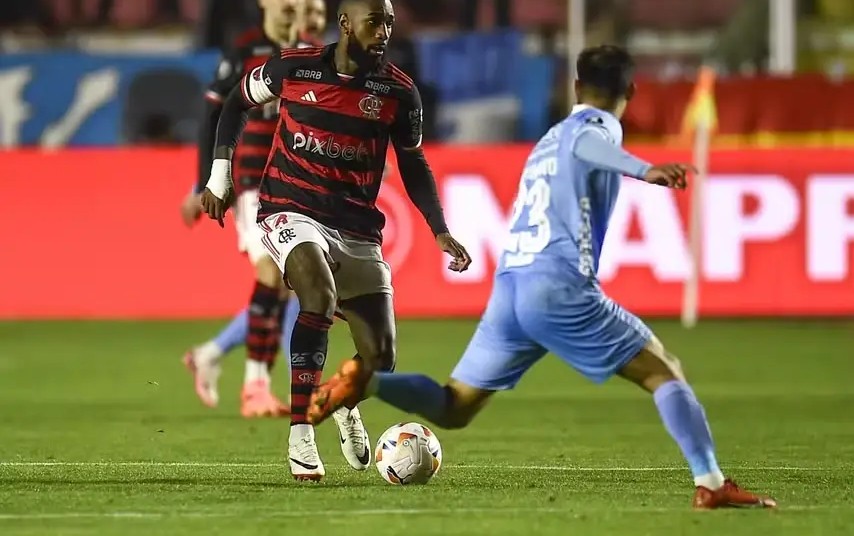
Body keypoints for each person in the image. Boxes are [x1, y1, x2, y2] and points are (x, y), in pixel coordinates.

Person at [305, 45, 777, 509]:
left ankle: (367, 383)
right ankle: (711, 483)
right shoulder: (595, 126)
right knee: (665, 372)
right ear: (630, 89)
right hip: (559, 286)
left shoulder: (547, 139)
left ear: (575, 86)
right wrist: (644, 168)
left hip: (512, 288)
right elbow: (589, 142)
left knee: (454, 407)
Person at [200, 0, 472, 481]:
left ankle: (346, 402)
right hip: (288, 208)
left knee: (381, 355)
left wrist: (440, 229)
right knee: (318, 297)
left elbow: (413, 163)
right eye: (375, 21)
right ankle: (302, 429)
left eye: (390, 22)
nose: (385, 31)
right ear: (346, 24)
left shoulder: (398, 92)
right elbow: (232, 106)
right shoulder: (292, 68)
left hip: (355, 226)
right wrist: (218, 177)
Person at [181, 0, 331, 400]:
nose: (315, 21)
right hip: (256, 183)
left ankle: (216, 355)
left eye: (321, 15)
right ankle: (263, 383)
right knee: (281, 281)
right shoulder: (265, 60)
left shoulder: (318, 62)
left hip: (299, 184)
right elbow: (222, 116)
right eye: (309, 12)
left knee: (290, 287)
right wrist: (204, 184)